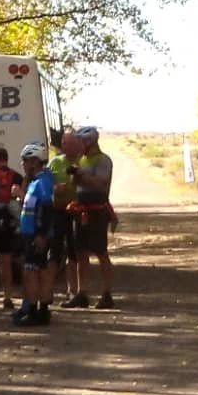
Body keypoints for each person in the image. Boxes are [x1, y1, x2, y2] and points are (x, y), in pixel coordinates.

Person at [69, 126, 116, 310]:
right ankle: (82, 293)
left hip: (97, 210)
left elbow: (100, 182)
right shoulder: (82, 159)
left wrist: (81, 174)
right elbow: (79, 183)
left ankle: (107, 294)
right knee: (80, 252)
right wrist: (74, 177)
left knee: (101, 252)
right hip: (81, 210)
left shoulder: (103, 160)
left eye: (81, 141)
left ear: (89, 141)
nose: (78, 145)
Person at [12, 143, 56, 327]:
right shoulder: (36, 180)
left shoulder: (42, 181)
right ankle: (40, 311)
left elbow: (46, 208)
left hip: (36, 234)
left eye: (25, 160)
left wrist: (41, 234)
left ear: (35, 161)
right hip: (31, 232)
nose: (22, 164)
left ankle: (34, 310)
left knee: (32, 272)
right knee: (39, 271)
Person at [0, 146, 24, 310]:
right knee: (7, 260)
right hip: (10, 222)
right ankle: (8, 296)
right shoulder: (16, 175)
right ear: (7, 159)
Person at [48, 128, 82, 305]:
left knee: (73, 252)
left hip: (76, 212)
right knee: (53, 252)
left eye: (70, 143)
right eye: (64, 143)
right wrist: (54, 188)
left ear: (78, 144)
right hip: (57, 211)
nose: (67, 147)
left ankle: (73, 290)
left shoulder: (82, 162)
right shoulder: (54, 163)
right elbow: (44, 184)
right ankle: (47, 290)